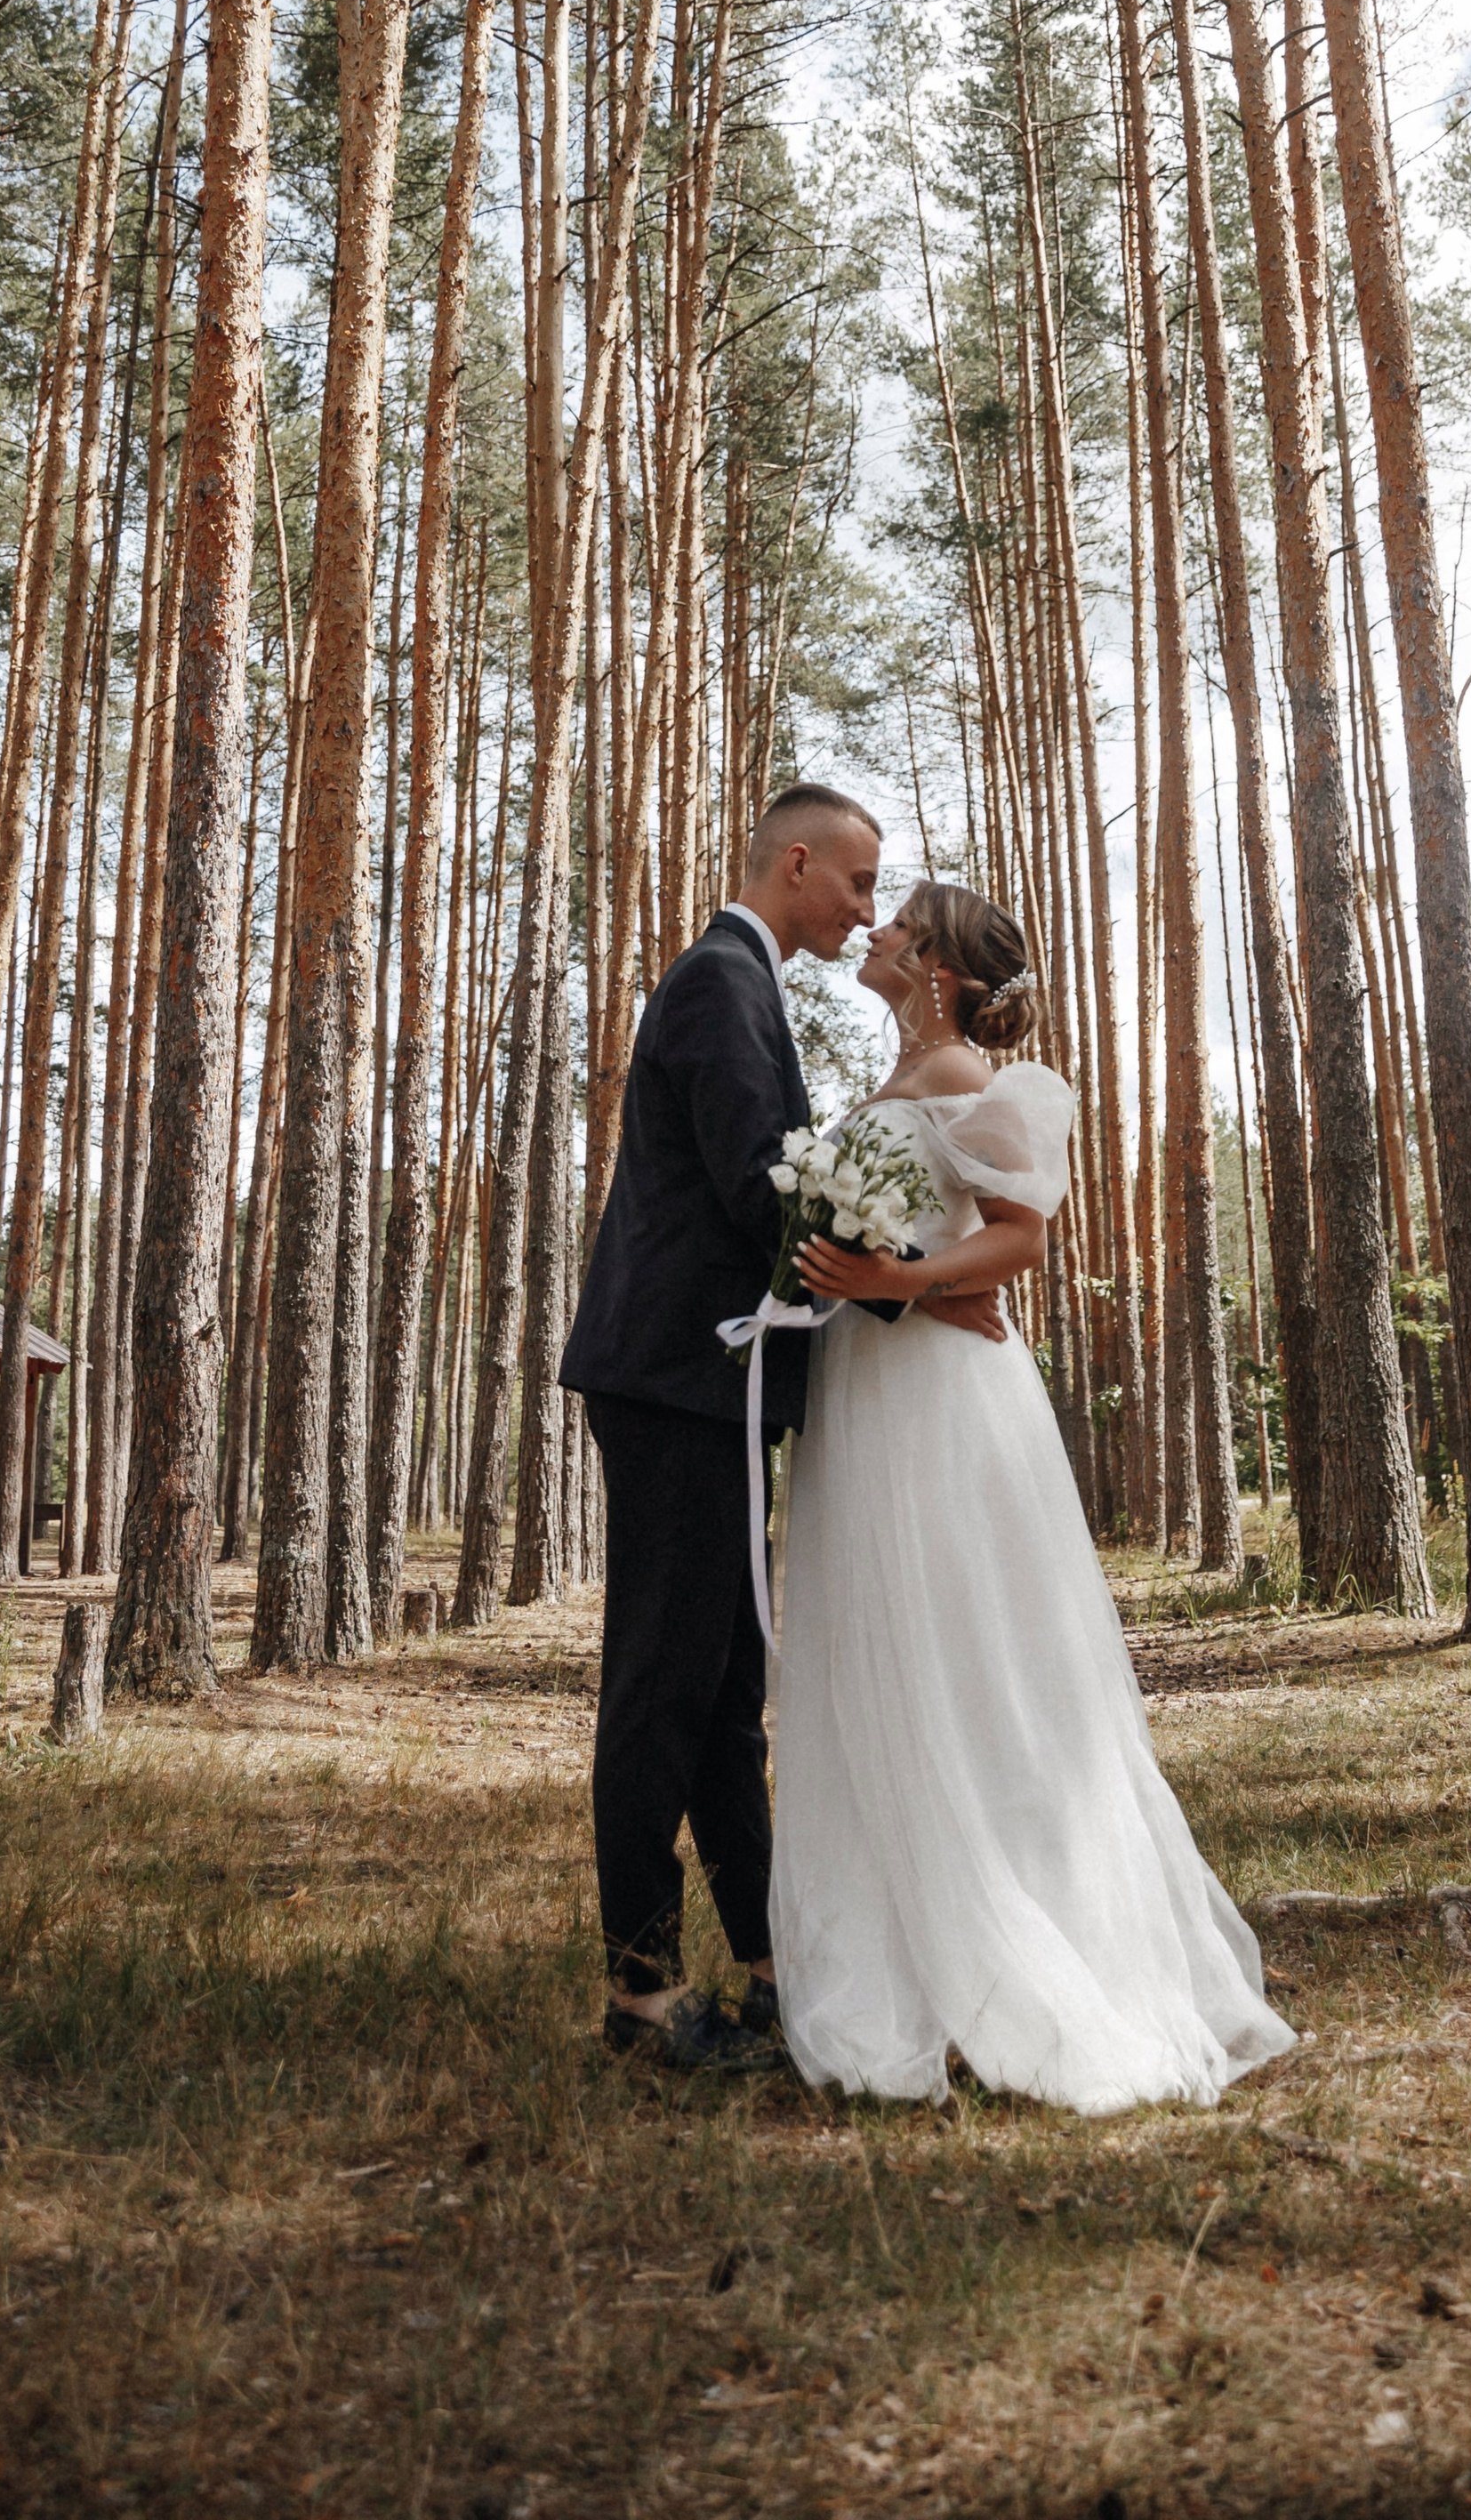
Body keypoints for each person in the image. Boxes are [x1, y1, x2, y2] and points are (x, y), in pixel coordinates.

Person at [772, 878, 1297, 2113]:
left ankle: (1020, 1959)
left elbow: (1019, 1246)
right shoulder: (906, 1076)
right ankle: (902, 1964)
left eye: (900, 922)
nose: (877, 931)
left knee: (967, 1658)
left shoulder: (962, 1076)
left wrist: (889, 1277)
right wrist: (865, 1280)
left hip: (944, 1402)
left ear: (941, 965)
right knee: (877, 1654)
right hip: (871, 1383)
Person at [559, 789, 1003, 2070]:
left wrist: (909, 1278)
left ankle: (766, 1968)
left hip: (716, 1388)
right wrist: (914, 1283)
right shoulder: (717, 984)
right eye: (858, 884)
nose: (869, 910)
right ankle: (641, 1997)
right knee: (660, 1686)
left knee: (720, 1693)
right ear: (795, 862)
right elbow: (766, 1189)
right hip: (676, 1384)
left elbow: (781, 1184)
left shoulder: (741, 985)